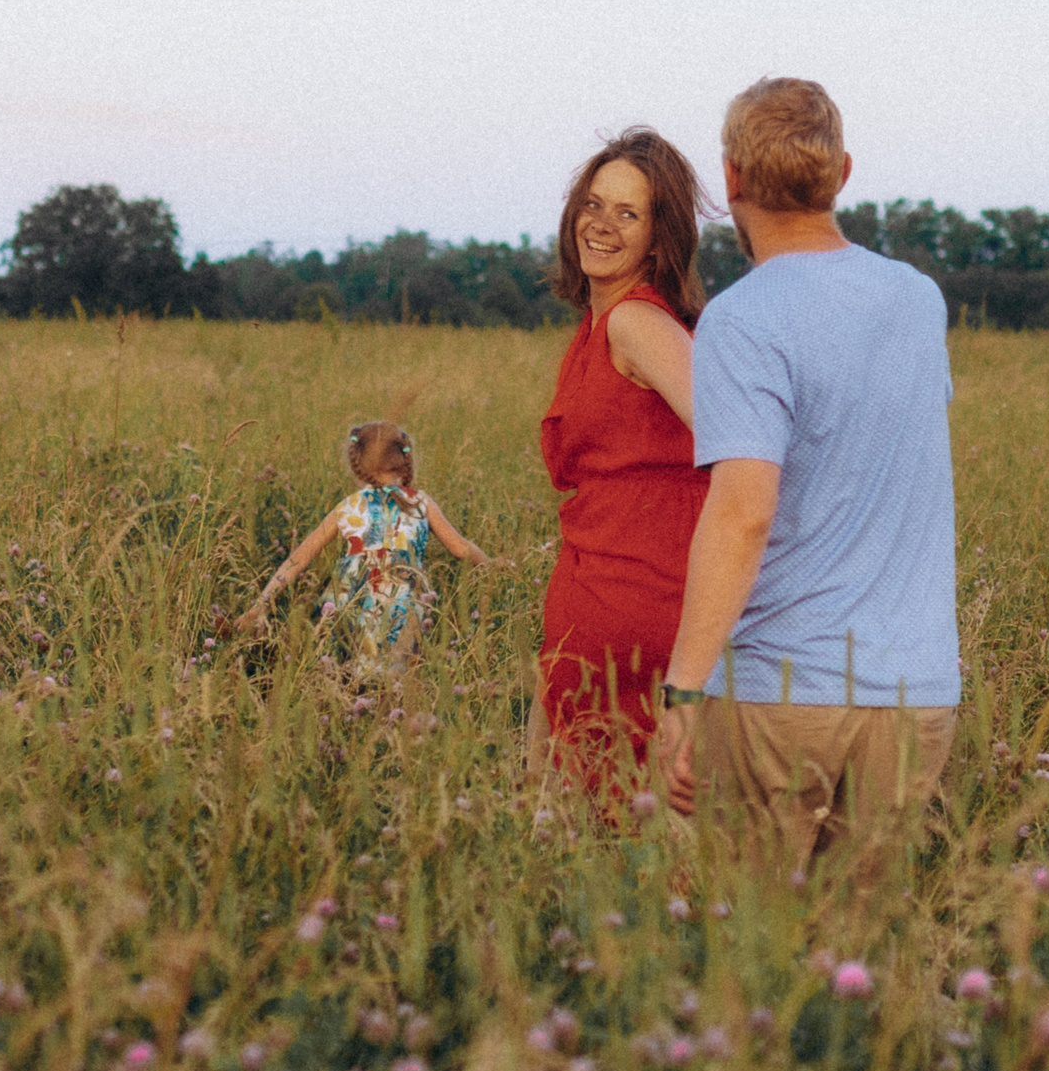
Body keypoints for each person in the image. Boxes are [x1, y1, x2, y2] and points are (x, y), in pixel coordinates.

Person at [652, 77, 960, 881]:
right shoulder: (920, 301)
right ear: (843, 172)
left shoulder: (744, 317)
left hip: (779, 694)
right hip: (915, 696)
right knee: (860, 967)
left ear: (730, 181)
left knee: (751, 960)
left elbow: (744, 511)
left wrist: (682, 692)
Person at [537, 128, 713, 797]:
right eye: (593, 203)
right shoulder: (598, 322)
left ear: (660, 240)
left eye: (628, 213)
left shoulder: (637, 323)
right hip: (596, 607)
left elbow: (741, 438)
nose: (601, 224)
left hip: (643, 614)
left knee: (638, 850)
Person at [242, 420, 497, 670]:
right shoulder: (421, 503)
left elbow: (299, 558)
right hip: (402, 604)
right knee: (395, 684)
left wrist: (260, 605)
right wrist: (492, 564)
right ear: (402, 457)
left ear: (357, 463)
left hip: (349, 604)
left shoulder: (348, 506)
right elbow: (460, 548)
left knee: (344, 678)